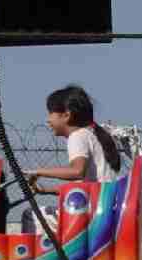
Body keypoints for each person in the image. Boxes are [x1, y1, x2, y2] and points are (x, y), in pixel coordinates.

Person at [21, 85, 122, 234]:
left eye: (50, 114)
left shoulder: (77, 136)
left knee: (30, 215)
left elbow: (77, 171)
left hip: (89, 212)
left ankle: (47, 257)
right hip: (104, 208)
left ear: (66, 115)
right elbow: (85, 185)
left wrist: (39, 171)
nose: (48, 120)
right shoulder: (93, 135)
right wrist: (46, 190)